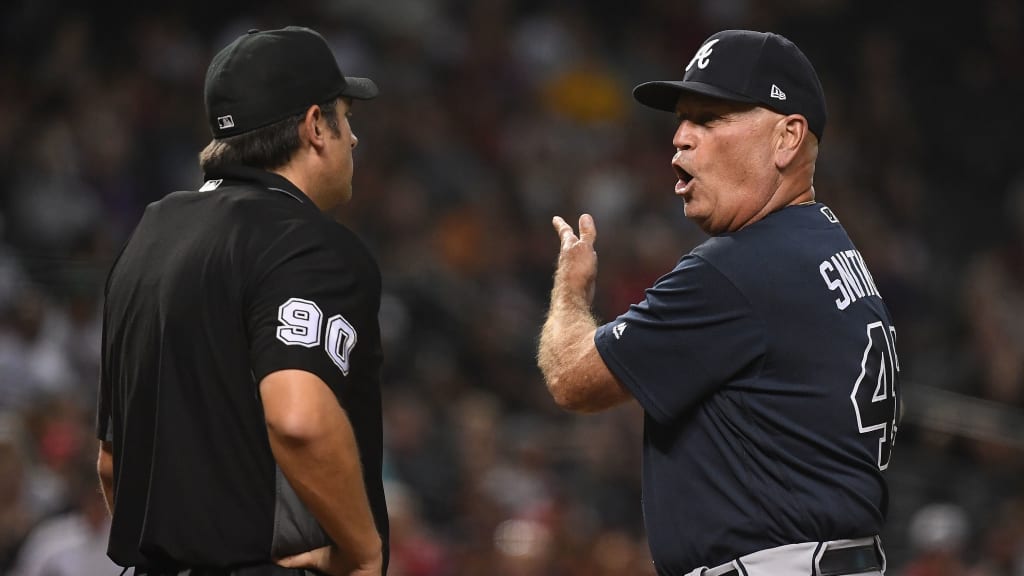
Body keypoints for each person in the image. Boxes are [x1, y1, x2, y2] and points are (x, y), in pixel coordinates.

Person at [538, 29, 899, 576]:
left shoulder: (741, 267)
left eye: (710, 118)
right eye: (682, 119)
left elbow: (571, 378)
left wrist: (571, 291)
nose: (681, 137)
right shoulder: (833, 251)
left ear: (787, 138)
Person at [96, 26, 388, 576]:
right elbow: (300, 420)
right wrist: (364, 552)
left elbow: (114, 464)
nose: (353, 139)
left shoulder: (148, 238)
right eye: (346, 117)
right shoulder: (306, 243)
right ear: (314, 126)